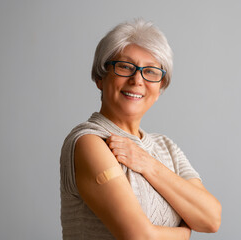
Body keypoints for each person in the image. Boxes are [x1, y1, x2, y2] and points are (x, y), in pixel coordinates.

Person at [60, 19, 221, 240]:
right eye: (125, 67)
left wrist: (148, 165)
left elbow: (211, 218)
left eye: (151, 71)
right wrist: (184, 233)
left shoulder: (166, 147)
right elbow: (138, 237)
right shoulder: (89, 142)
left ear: (160, 87)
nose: (137, 80)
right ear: (100, 76)